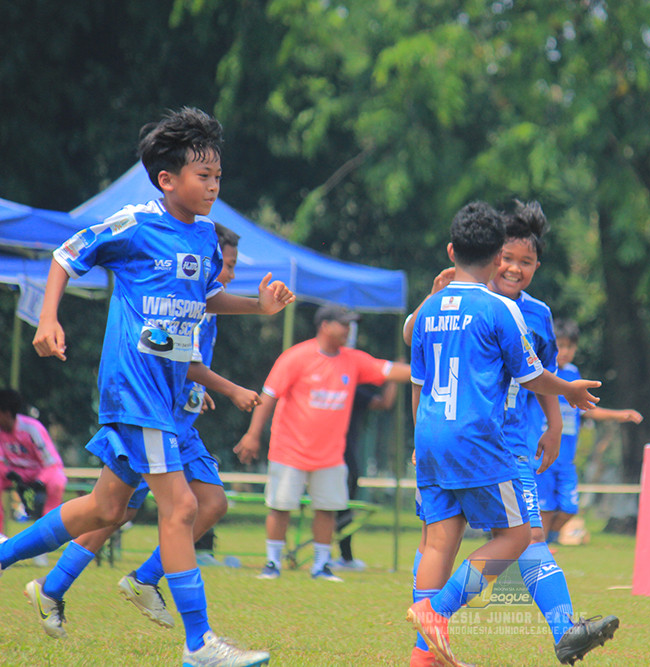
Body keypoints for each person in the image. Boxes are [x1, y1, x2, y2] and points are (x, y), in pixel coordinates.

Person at [11, 107, 294, 667]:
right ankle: (198, 644)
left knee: (104, 507)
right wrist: (48, 320)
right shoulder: (136, 223)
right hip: (135, 387)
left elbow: (204, 299)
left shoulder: (209, 237)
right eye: (202, 176)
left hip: (165, 394)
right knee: (184, 504)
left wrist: (254, 306)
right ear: (167, 180)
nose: (214, 186)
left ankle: (8, 558)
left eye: (218, 176)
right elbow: (67, 256)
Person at [25, 222, 259, 640]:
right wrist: (229, 388)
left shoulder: (205, 308)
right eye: (227, 265)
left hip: (175, 420)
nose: (229, 273)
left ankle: (131, 580)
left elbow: (183, 360)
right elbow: (165, 349)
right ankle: (186, 628)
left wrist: (196, 387)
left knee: (198, 503)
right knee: (125, 509)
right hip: (149, 412)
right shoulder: (165, 280)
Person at [405, 201, 601, 667]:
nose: (514, 267)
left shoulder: (532, 313)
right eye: (508, 258)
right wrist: (569, 395)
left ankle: (426, 654)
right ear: (495, 256)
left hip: (459, 437)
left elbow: (538, 368)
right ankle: (440, 617)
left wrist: (553, 425)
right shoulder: (491, 307)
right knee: (519, 535)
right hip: (487, 443)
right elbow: (540, 376)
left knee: (448, 538)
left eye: (526, 261)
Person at [234, 304, 411, 582]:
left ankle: (321, 565)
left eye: (351, 323)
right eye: (344, 323)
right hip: (289, 450)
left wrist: (429, 369)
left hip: (330, 455)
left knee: (327, 509)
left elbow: (390, 370)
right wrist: (252, 434)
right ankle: (272, 563)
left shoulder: (352, 360)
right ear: (325, 325)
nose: (348, 329)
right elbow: (268, 395)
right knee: (280, 507)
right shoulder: (296, 357)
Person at [538, 318, 643, 545]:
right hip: (542, 457)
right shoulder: (540, 374)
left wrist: (619, 415)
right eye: (560, 345)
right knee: (544, 509)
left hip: (566, 459)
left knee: (569, 508)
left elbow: (586, 410)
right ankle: (538, 552)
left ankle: (541, 543)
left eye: (570, 346)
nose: (564, 351)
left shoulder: (574, 373)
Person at [331, 380, 399, 572]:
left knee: (331, 509)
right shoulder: (351, 390)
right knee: (339, 510)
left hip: (332, 458)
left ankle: (334, 556)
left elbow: (384, 402)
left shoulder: (351, 391)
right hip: (343, 459)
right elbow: (385, 403)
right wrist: (397, 370)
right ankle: (341, 557)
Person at [0, 390, 67, 538]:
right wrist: (10, 474)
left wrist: (39, 483)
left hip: (40, 472)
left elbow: (51, 464)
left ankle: (46, 535)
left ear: (7, 413)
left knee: (57, 480)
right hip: (15, 472)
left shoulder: (32, 428)